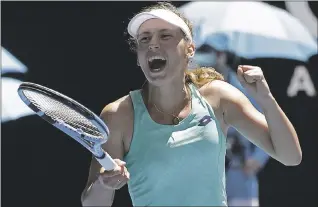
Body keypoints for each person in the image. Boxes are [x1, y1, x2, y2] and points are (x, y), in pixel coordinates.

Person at [81, 2, 302, 206]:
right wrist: (103, 184)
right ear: (139, 57)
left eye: (165, 36)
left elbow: (290, 157)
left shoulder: (219, 98)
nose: (153, 45)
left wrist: (266, 99)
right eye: (144, 39)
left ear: (190, 49)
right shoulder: (118, 115)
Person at [194, 45, 270, 206]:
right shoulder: (192, 88)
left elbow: (267, 123)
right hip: (204, 174)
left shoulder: (244, 88)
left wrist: (257, 158)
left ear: (222, 56)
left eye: (208, 54)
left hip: (239, 172)